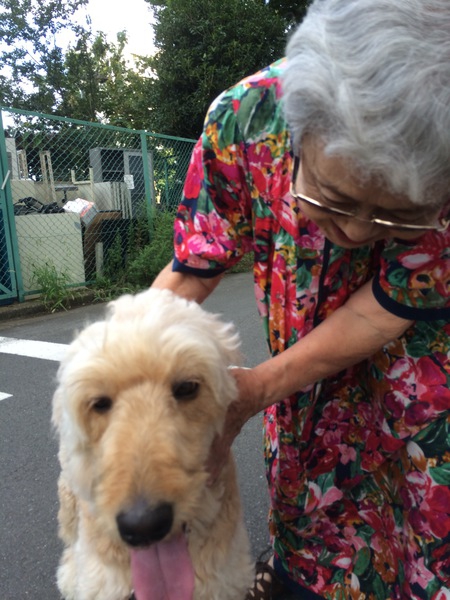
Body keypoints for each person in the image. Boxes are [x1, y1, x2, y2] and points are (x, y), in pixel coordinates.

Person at [152, 0, 450, 597]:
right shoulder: (243, 118)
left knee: (421, 538)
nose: (362, 232)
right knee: (311, 531)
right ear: (298, 127)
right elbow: (196, 262)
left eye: (400, 215)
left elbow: (388, 303)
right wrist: (126, 373)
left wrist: (256, 388)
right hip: (309, 403)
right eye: (337, 200)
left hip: (423, 377)